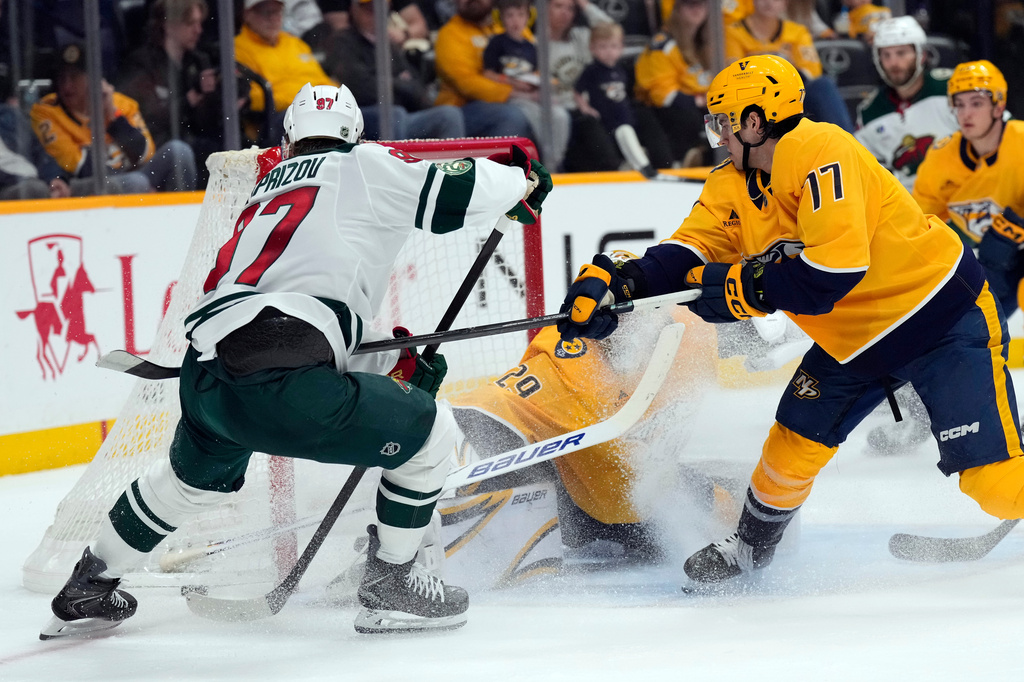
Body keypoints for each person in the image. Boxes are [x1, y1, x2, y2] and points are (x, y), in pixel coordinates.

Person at [39, 82, 553, 639]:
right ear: (354, 134)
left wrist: (388, 360)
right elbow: (471, 184)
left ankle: (90, 580)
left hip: (208, 375)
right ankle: (394, 583)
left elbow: (287, 301)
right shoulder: (363, 164)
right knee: (431, 435)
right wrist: (522, 177)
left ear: (289, 138)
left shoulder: (265, 185)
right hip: (282, 377)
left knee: (189, 482)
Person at [557, 55, 1024, 585]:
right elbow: (688, 251)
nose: (718, 134)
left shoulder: (824, 151)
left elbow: (834, 272)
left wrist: (738, 290)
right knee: (792, 440)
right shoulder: (731, 181)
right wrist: (625, 282)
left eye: (725, 121)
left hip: (939, 314)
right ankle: (750, 548)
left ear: (756, 121)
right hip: (854, 339)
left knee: (993, 486)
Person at [914, 61, 1024, 318]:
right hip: (988, 261)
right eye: (959, 104)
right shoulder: (940, 158)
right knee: (969, 318)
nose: (966, 114)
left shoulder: (1021, 142)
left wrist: (1010, 230)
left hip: (1012, 249)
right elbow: (916, 226)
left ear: (999, 106)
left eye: (976, 103)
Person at [30, 43, 197, 195]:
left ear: (93, 78)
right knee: (137, 182)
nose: (66, 86)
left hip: (134, 177)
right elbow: (80, 168)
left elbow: (145, 155)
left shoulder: (122, 104)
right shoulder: (46, 112)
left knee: (178, 151)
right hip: (89, 187)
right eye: (62, 78)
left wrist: (112, 116)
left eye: (74, 77)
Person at [118, 0, 224, 189]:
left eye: (200, 23)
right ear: (168, 25)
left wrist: (217, 98)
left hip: (191, 143)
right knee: (191, 152)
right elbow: (148, 118)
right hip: (156, 151)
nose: (198, 30)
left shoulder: (198, 61)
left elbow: (206, 123)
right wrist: (190, 98)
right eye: (191, 23)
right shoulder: (140, 65)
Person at [323, 0, 465, 140]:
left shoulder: (388, 44)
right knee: (393, 115)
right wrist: (401, 86)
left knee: (448, 114)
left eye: (378, 9)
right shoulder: (342, 41)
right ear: (354, 10)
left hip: (402, 114)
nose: (374, 14)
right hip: (362, 116)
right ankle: (393, 162)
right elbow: (360, 88)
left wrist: (396, 87)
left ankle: (452, 162)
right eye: (368, 9)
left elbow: (417, 87)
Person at [855, 16, 958, 192]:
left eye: (901, 53)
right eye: (886, 55)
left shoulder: (953, 87)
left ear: (921, 55)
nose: (893, 63)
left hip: (963, 193)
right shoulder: (869, 111)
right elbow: (864, 174)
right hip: (909, 206)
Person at [724, 0, 854, 132]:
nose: (769, 3)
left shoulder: (797, 31)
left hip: (791, 97)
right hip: (754, 100)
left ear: (786, 2)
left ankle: (848, 145)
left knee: (822, 85)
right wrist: (783, 66)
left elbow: (812, 72)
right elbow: (736, 75)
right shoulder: (732, 32)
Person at [482, 0, 570, 170]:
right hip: (512, 96)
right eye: (510, 16)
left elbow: (538, 74)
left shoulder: (532, 47)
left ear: (527, 18)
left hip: (531, 94)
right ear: (502, 19)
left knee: (560, 115)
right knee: (538, 117)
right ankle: (547, 161)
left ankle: (556, 160)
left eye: (520, 15)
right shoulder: (497, 43)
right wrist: (512, 82)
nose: (515, 21)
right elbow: (488, 73)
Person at [433, 0, 535, 142]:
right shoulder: (449, 34)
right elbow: (466, 83)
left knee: (553, 113)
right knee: (513, 115)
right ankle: (500, 163)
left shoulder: (508, 25)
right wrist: (513, 93)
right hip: (463, 109)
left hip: (516, 99)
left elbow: (535, 63)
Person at [634, 0, 716, 168]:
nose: (697, 9)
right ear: (677, 9)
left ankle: (715, 159)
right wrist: (699, 100)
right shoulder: (663, 45)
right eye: (690, 5)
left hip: (701, 103)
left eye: (701, 4)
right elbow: (662, 95)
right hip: (662, 111)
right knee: (690, 114)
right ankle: (685, 160)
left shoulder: (706, 43)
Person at [546, 0, 622, 172]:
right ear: (544, 9)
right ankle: (616, 169)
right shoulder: (537, 44)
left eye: (570, 8)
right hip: (560, 109)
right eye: (558, 6)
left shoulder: (581, 37)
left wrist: (583, 4)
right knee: (589, 126)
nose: (565, 12)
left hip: (589, 105)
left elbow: (609, 28)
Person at [0, 100, 70, 200]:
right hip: (9, 187)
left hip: (36, 180)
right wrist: (25, 179)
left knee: (94, 184)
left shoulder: (8, 115)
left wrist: (54, 178)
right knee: (35, 190)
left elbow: (38, 151)